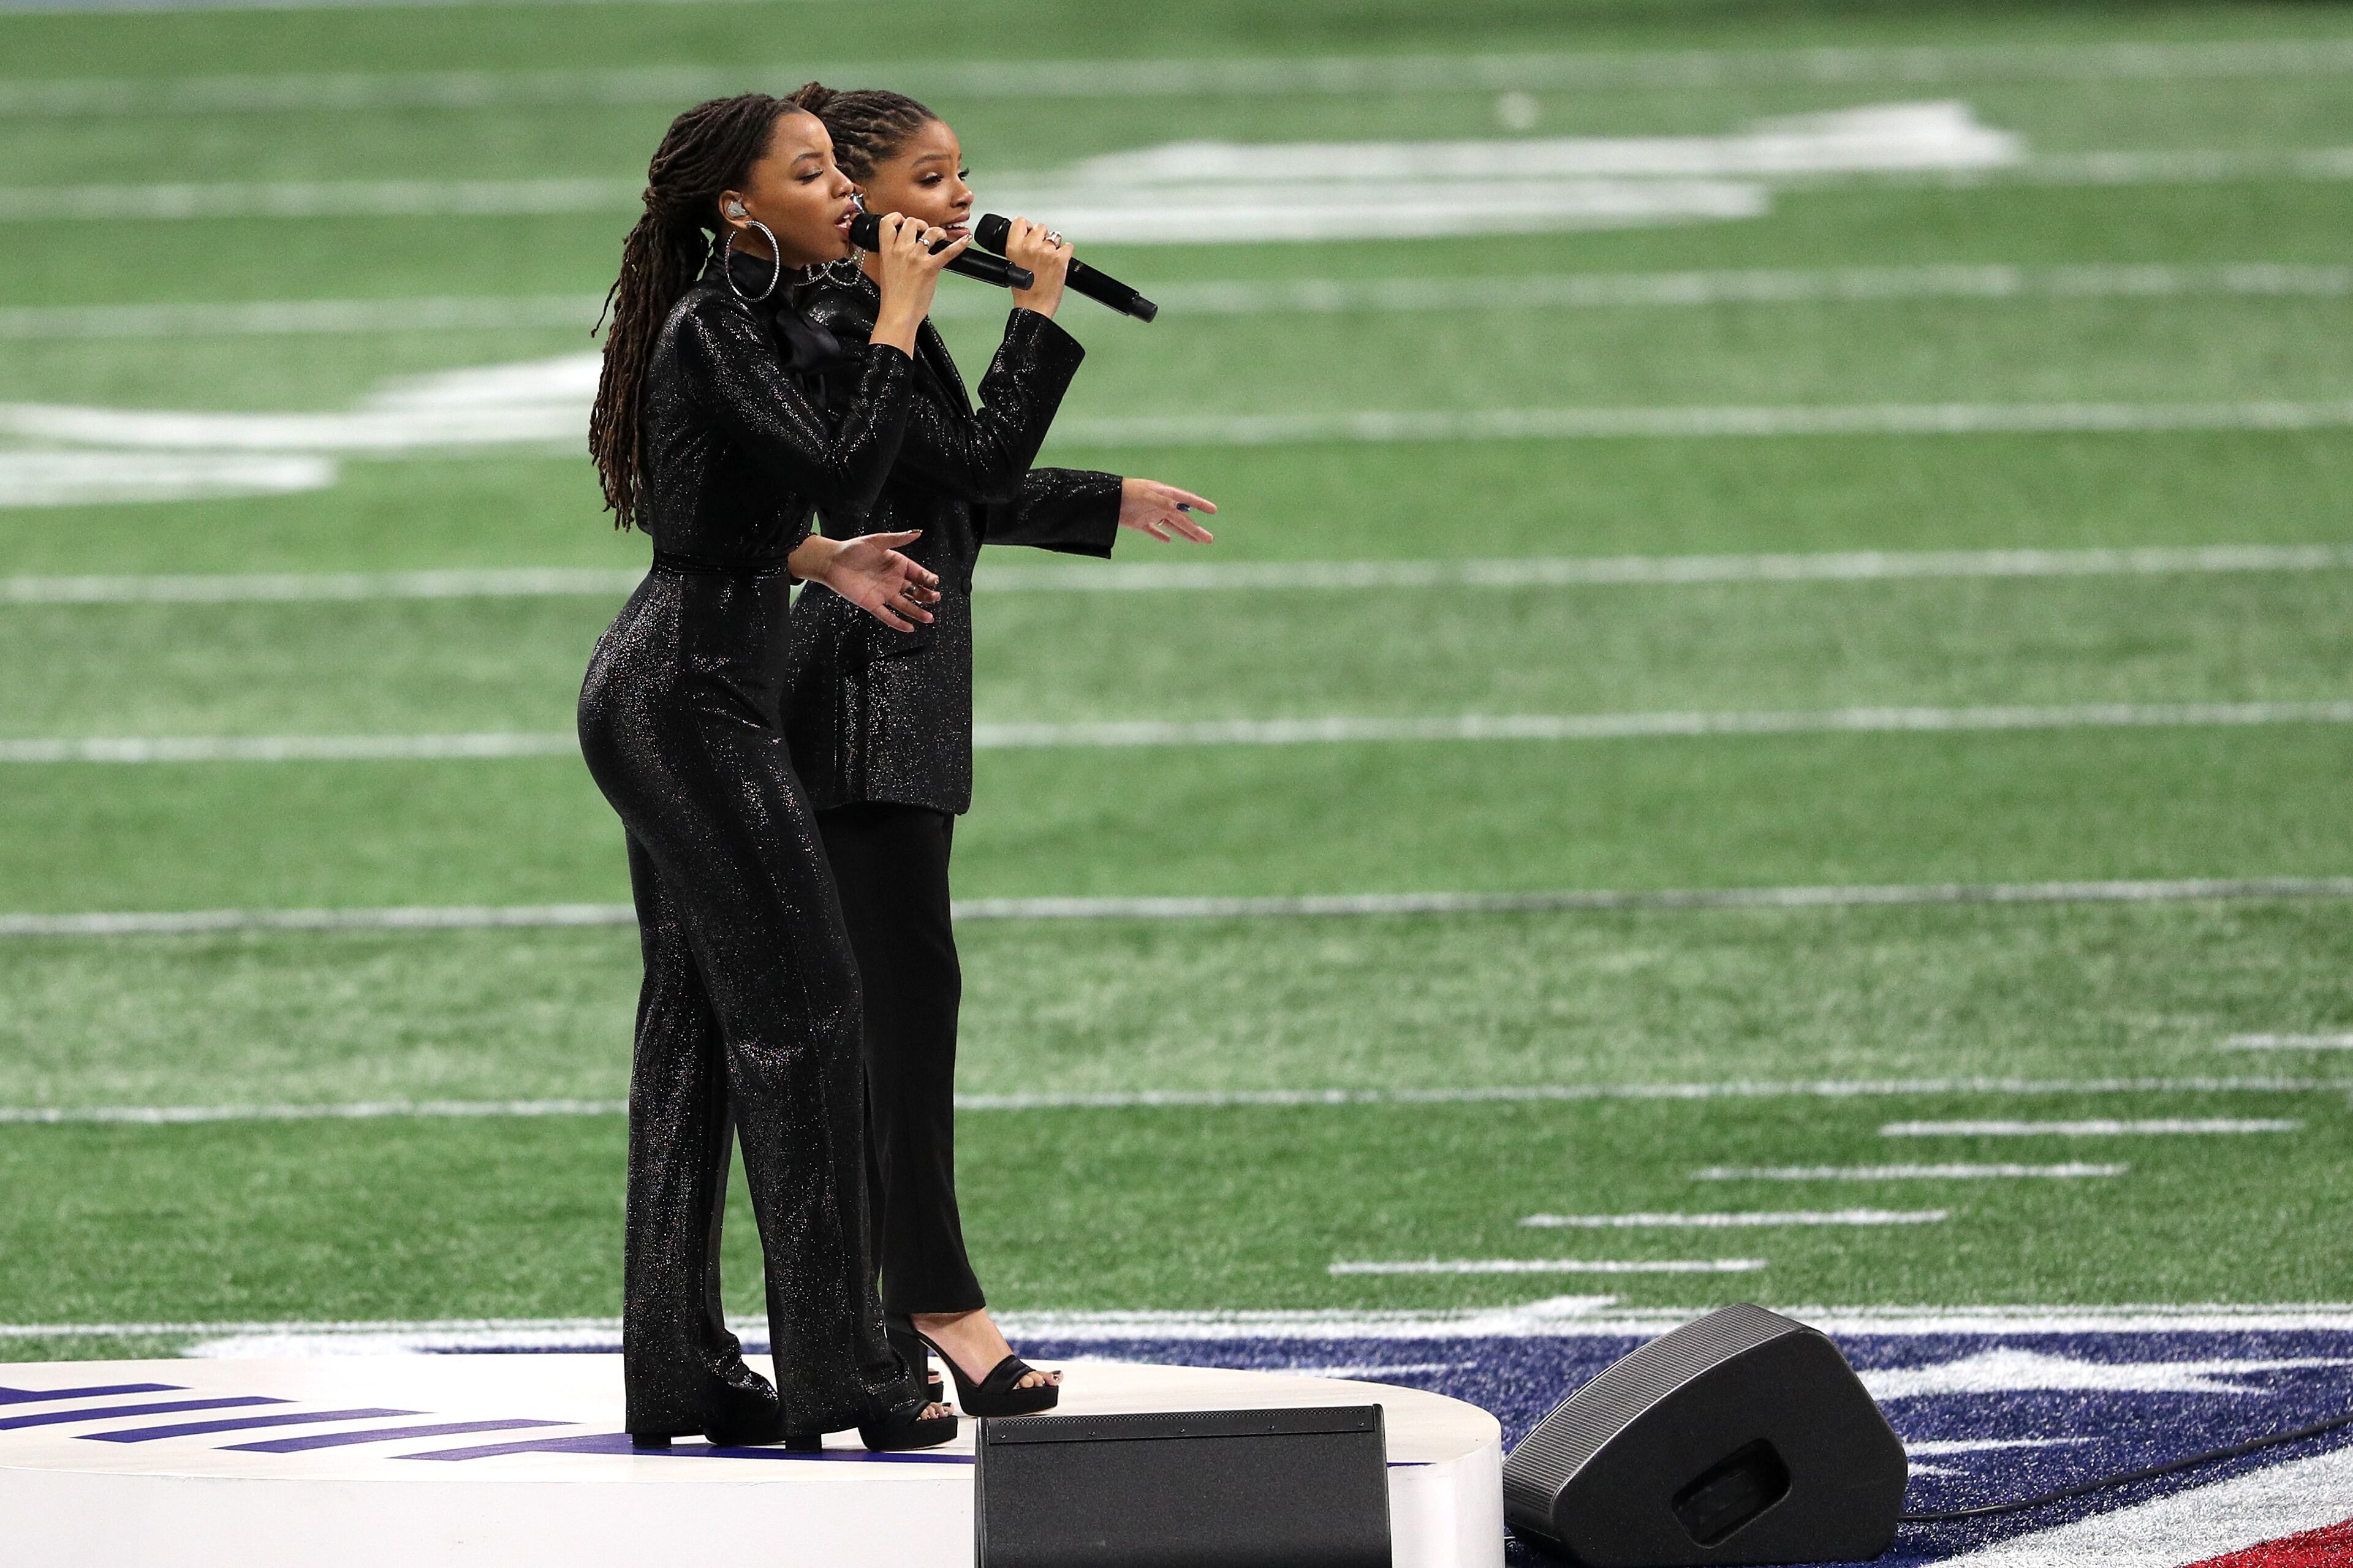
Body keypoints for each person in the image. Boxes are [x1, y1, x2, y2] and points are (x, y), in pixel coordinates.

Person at [779, 83, 1216, 1418]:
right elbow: (962, 465)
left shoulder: (863, 315)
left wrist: (1102, 497)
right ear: (860, 200)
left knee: (893, 1019)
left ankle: (884, 1318)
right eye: (930, 179)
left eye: (961, 174)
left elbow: (947, 484)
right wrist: (1035, 308)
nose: (962, 201)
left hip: (888, 696)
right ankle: (936, 1307)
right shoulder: (846, 320)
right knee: (897, 1023)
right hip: (862, 698)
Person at [576, 91, 968, 1452]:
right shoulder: (716, 324)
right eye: (810, 174)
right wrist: (901, 315)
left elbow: (742, 507)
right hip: (687, 701)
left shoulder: (742, 321)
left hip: (691, 681)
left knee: (691, 1029)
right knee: (811, 1015)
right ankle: (843, 1370)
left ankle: (678, 1366)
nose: (842, 191)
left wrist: (818, 561)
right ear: (738, 205)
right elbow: (848, 466)